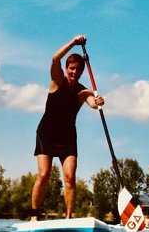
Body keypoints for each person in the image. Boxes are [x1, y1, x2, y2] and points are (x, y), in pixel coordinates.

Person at [30, 35, 104, 221]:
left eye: (78, 70)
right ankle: (34, 215)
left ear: (81, 72)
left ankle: (68, 218)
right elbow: (55, 59)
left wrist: (98, 101)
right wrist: (73, 43)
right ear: (66, 69)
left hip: (68, 137)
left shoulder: (82, 90)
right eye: (72, 69)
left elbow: (93, 103)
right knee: (44, 174)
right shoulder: (57, 80)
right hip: (46, 133)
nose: (74, 73)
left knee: (70, 178)